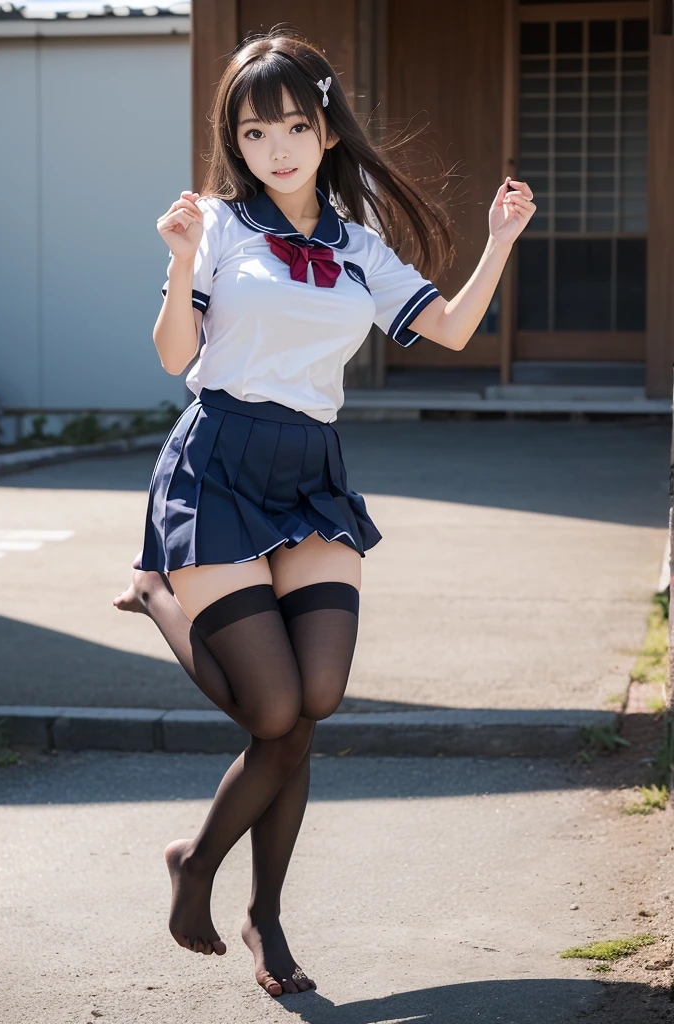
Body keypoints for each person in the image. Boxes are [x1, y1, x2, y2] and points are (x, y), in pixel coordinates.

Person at [113, 24, 535, 999]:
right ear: (237, 142)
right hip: (218, 459)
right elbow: (175, 356)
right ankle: (206, 863)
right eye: (255, 134)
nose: (277, 149)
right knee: (270, 709)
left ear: (326, 129)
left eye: (294, 126)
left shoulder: (359, 246)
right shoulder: (215, 226)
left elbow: (454, 326)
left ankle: (256, 910)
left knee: (313, 702)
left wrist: (501, 239)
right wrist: (178, 262)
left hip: (309, 472)